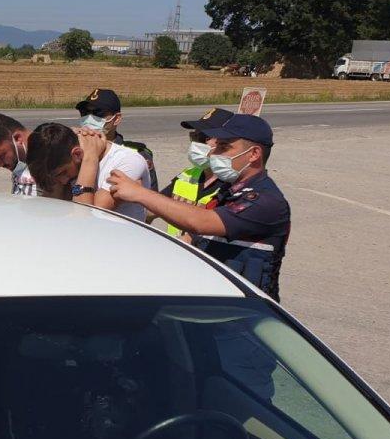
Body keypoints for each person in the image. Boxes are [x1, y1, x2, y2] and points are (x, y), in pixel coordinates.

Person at [108, 114, 290, 301]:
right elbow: (191, 239)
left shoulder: (265, 201)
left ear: (253, 154)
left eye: (224, 147)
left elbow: (200, 222)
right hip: (215, 301)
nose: (213, 153)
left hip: (247, 312)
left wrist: (140, 193)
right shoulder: (227, 192)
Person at [25, 122, 151, 219]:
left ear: (77, 154)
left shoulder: (128, 161)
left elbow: (85, 218)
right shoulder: (67, 164)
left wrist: (90, 159)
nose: (62, 181)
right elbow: (50, 211)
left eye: (62, 173)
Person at [157, 107, 232, 240]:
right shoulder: (187, 175)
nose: (196, 143)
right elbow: (154, 206)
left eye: (203, 137)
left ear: (226, 143)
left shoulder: (234, 187)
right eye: (194, 136)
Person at [76, 88, 158, 191]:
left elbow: (151, 197)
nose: (89, 118)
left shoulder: (135, 155)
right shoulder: (74, 149)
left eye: (98, 113)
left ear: (117, 119)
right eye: (85, 112)